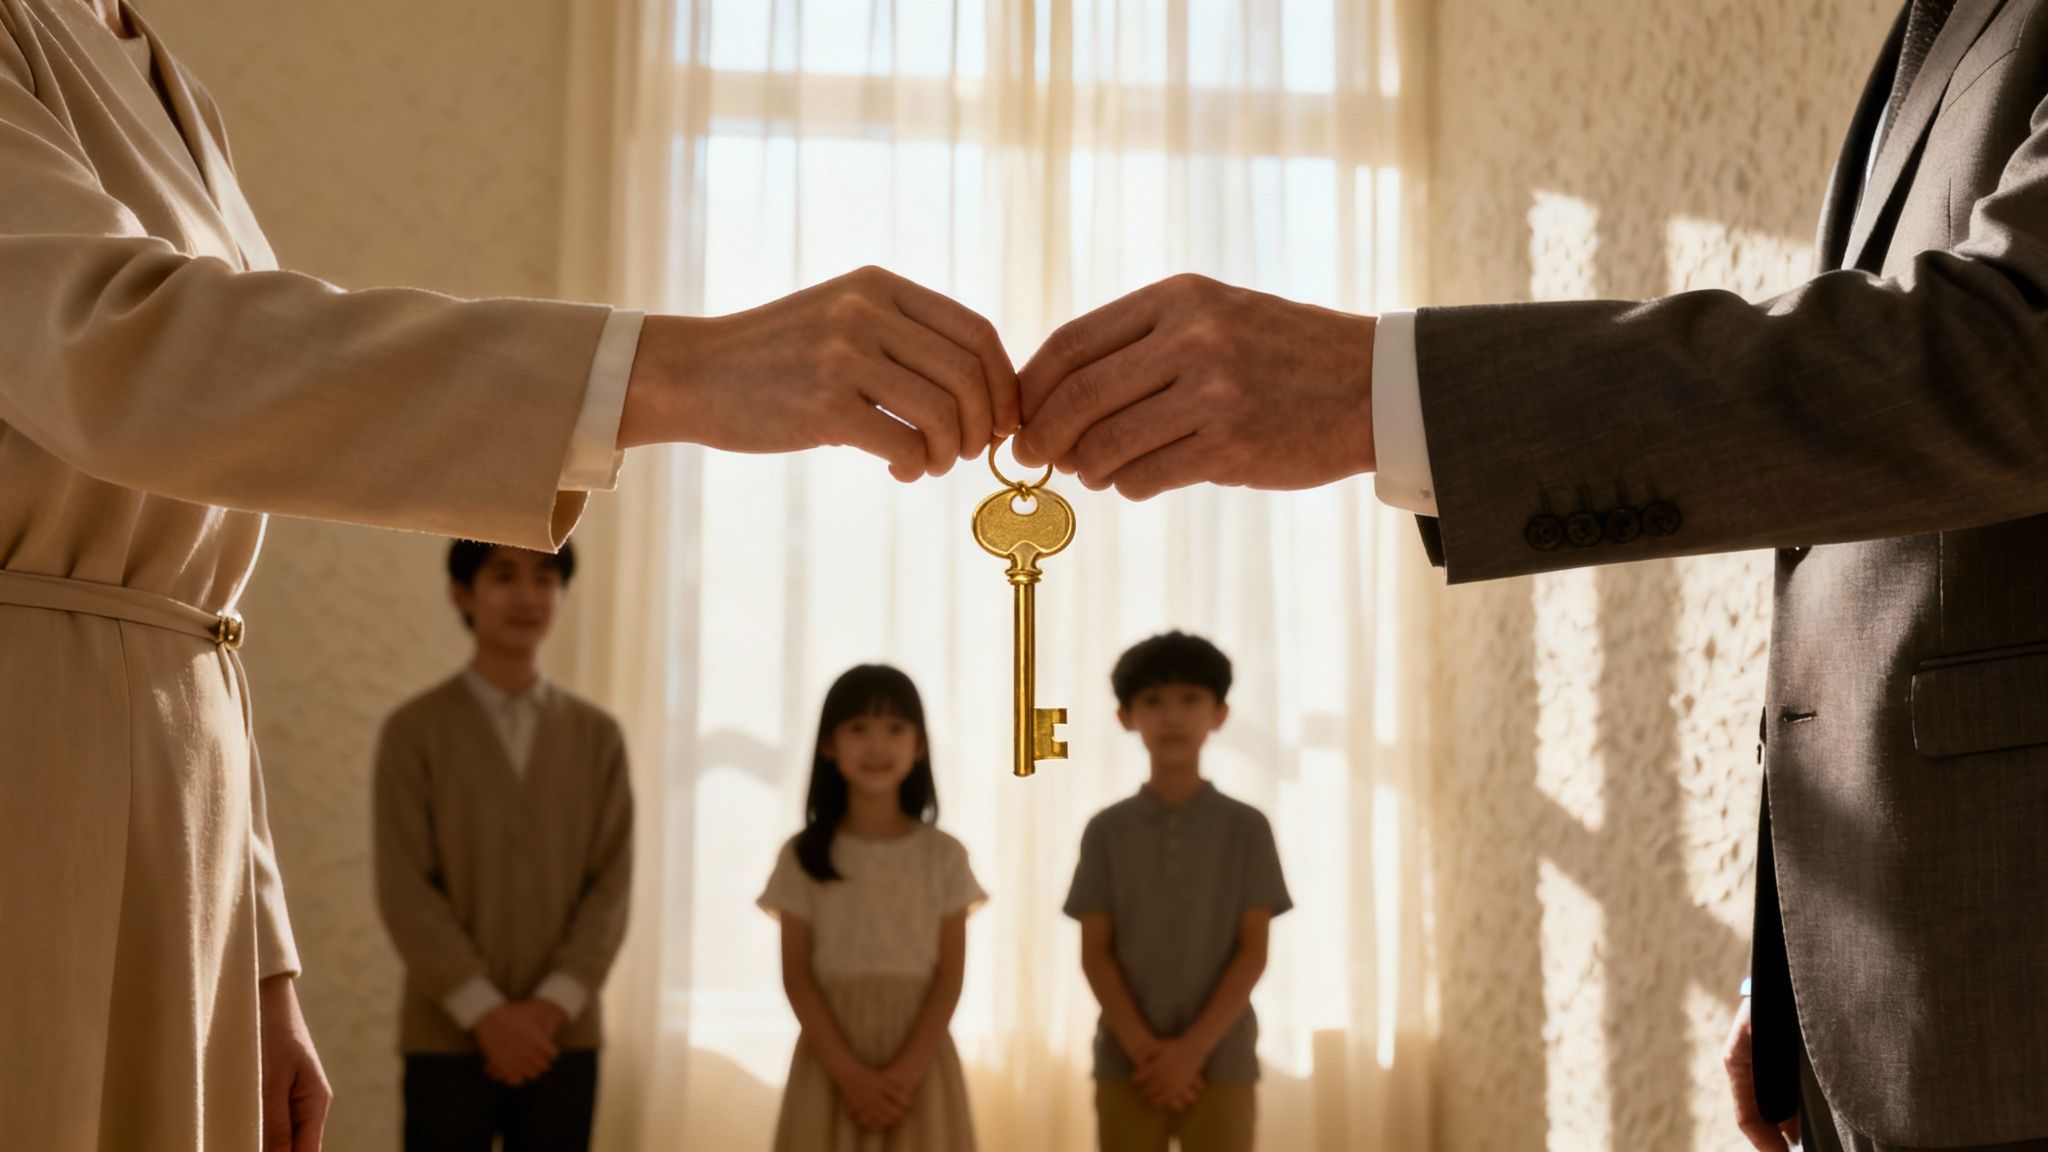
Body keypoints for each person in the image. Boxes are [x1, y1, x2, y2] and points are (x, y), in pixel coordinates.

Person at [1011, 2, 2048, 1148]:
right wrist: (1795, 956)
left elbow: (2004, 363)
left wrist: (1382, 392)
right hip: (1910, 999)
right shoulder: (1934, 24)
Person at [0, 0, 1017, 1146]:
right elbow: (138, 353)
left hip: (183, 835)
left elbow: (197, 630)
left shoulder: (167, 79)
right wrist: (682, 370)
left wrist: (262, 964)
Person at [372, 540, 630, 1152]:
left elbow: (612, 887)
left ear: (562, 595)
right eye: (504, 575)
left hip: (562, 1039)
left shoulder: (599, 738)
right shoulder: (414, 732)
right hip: (445, 1034)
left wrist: (548, 1009)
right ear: (462, 593)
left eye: (545, 577)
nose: (527, 595)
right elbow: (405, 888)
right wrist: (486, 1014)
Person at [1064, 632, 1291, 1152]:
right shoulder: (1105, 830)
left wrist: (1191, 1053)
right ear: (1126, 716)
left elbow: (1253, 953)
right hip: (1126, 1064)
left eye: (1191, 698)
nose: (1172, 716)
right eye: (1153, 701)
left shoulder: (1247, 827)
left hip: (1224, 1060)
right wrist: (1149, 1054)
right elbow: (1095, 955)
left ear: (1220, 714)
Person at [756, 665, 986, 1152]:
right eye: (858, 728)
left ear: (919, 745)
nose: (877, 745)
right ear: (828, 744)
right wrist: (849, 1074)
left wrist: (903, 1076)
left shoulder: (945, 855)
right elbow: (797, 975)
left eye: (895, 729)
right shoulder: (800, 856)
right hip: (830, 1058)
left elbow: (950, 976)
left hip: (921, 1061)